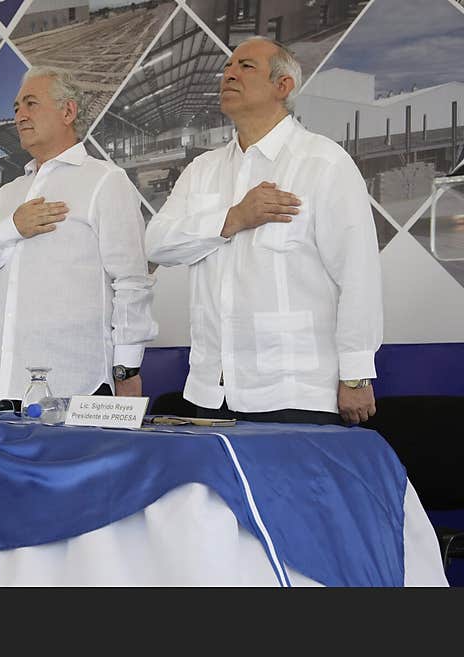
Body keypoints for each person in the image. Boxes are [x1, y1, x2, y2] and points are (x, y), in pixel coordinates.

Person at [145, 36, 382, 426]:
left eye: (245, 67)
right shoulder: (202, 170)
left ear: (283, 86)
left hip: (295, 388)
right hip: (213, 388)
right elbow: (158, 244)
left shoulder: (322, 162)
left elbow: (359, 275)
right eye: (227, 68)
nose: (229, 74)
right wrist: (233, 218)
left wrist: (355, 373)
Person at [0, 66, 157, 407]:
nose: (20, 115)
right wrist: (12, 228)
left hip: (75, 384)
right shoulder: (8, 194)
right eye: (16, 107)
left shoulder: (105, 180)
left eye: (31, 104)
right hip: (1, 388)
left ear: (68, 112)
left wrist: (126, 369)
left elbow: (131, 281)